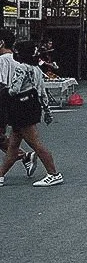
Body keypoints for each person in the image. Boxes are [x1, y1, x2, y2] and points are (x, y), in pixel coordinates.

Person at [0, 39, 62, 187]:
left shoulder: (21, 68)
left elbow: (14, 90)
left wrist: (3, 91)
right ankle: (0, 174)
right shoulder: (36, 69)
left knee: (35, 143)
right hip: (32, 105)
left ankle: (54, 174)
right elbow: (42, 92)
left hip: (20, 108)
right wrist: (47, 111)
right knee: (13, 145)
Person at [0, 28, 39, 179]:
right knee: (10, 137)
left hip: (4, 102)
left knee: (31, 140)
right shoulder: (18, 60)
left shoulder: (2, 61)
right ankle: (24, 156)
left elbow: (2, 84)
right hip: (16, 103)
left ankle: (27, 157)